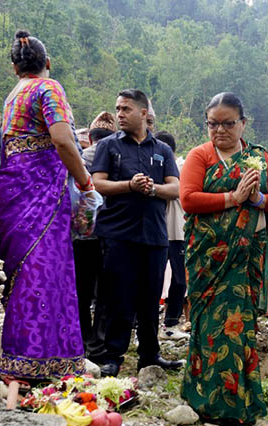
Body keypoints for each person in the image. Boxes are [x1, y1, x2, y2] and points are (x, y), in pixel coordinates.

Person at [0, 30, 92, 380]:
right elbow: (63, 140)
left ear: (14, 68)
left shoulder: (10, 97)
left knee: (27, 273)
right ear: (47, 63)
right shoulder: (49, 88)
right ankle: (35, 359)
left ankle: (34, 357)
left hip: (14, 189)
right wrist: (84, 181)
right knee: (44, 271)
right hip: (40, 192)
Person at [179, 92, 268, 426]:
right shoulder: (201, 155)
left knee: (238, 330)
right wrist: (232, 197)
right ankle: (204, 401)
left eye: (227, 123)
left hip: (244, 258)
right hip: (208, 260)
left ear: (243, 123)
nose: (219, 130)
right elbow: (189, 199)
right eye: (213, 124)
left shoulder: (258, 157)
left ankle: (238, 405)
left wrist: (254, 200)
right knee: (209, 326)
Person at [88, 88, 182, 377]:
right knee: (119, 297)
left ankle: (150, 356)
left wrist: (151, 188)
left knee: (151, 297)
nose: (119, 115)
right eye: (117, 109)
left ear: (144, 113)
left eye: (126, 109)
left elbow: (175, 188)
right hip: (118, 233)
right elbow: (98, 183)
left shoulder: (162, 151)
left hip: (154, 235)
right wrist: (129, 185)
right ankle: (113, 356)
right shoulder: (109, 146)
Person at [76, 125, 113, 357]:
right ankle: (97, 343)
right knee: (106, 291)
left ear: (91, 137)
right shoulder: (114, 151)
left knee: (82, 289)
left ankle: (81, 338)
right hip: (110, 231)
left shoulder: (83, 154)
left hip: (83, 231)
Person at [155, 130, 187, 335]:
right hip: (157, 230)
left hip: (178, 231)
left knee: (179, 280)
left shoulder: (182, 167)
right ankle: (143, 324)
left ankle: (171, 323)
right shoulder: (154, 168)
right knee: (153, 278)